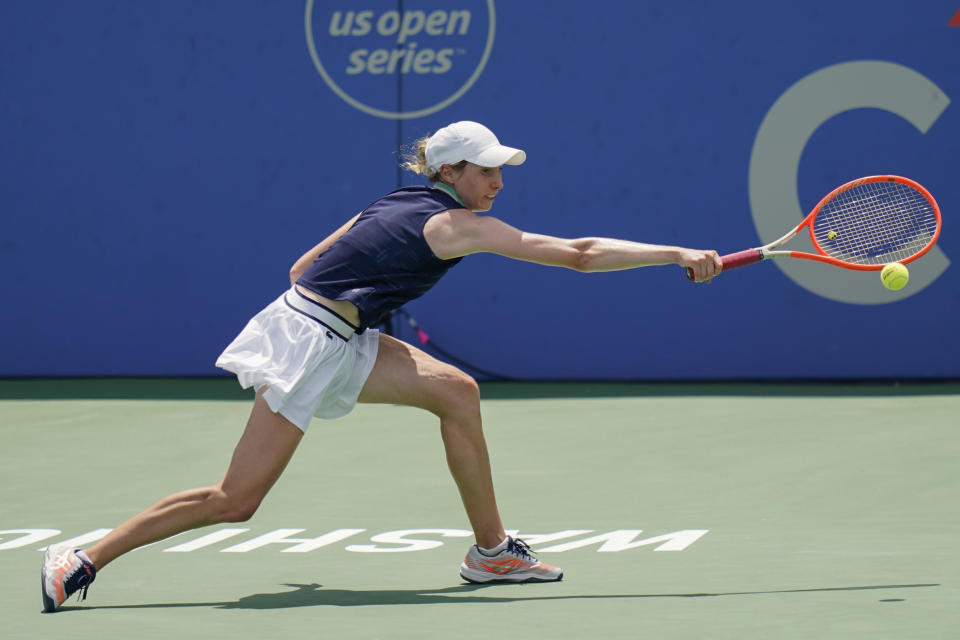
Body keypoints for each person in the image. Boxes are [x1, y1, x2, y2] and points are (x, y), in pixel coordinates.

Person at [40, 121, 722, 612]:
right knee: (236, 500)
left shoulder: (393, 201)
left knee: (457, 392)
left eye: (499, 167)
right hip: (313, 343)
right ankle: (85, 558)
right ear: (449, 174)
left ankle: (491, 553)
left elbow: (302, 268)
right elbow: (577, 253)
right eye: (484, 169)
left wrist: (359, 302)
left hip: (333, 331)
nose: (497, 180)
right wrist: (675, 253)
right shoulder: (455, 225)